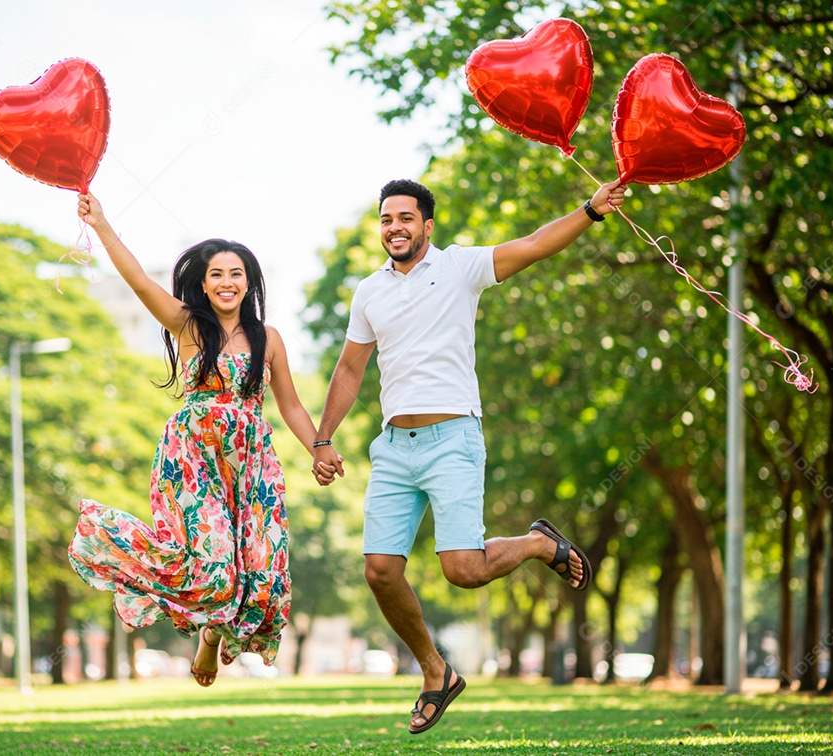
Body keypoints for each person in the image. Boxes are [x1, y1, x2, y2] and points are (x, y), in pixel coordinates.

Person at [310, 177, 627, 734]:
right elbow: (350, 369)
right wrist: (323, 437)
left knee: (463, 570)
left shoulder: (460, 267)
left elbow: (533, 244)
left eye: (405, 218)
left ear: (427, 226)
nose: (394, 228)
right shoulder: (369, 292)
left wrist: (590, 211)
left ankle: (535, 542)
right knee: (380, 571)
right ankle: (436, 672)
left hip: (453, 438)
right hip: (393, 447)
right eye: (386, 219)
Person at [67, 193, 323, 687]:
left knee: (263, 573)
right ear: (203, 285)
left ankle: (218, 632)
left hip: (252, 467)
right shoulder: (186, 326)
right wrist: (100, 224)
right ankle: (205, 632)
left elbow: (289, 404)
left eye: (236, 274)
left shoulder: (269, 338)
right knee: (214, 570)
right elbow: (138, 279)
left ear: (249, 283)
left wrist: (321, 446)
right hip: (194, 460)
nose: (227, 283)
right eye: (216, 275)